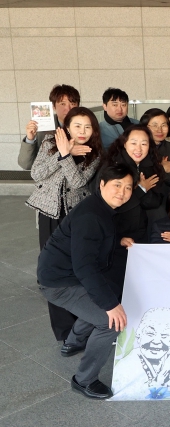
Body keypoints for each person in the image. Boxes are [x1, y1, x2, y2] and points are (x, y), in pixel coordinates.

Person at [37, 163, 136, 399]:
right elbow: (85, 267)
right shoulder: (91, 215)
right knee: (110, 322)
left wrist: (118, 240)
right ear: (102, 184)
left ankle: (73, 342)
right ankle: (84, 380)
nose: (122, 192)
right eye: (117, 185)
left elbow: (89, 244)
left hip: (66, 273)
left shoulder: (100, 207)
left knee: (105, 295)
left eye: (128, 187)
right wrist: (111, 306)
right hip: (60, 282)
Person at [25, 107, 102, 343]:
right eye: (77, 126)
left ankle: (81, 323)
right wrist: (62, 152)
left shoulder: (94, 152)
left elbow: (78, 182)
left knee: (76, 265)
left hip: (74, 215)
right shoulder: (50, 142)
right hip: (49, 213)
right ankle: (63, 330)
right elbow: (37, 173)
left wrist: (66, 156)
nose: (82, 131)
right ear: (67, 127)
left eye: (87, 127)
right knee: (52, 269)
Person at [104, 125, 164, 250]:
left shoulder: (150, 164)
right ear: (124, 144)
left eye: (144, 144)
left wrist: (139, 191)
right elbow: (115, 203)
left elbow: (155, 201)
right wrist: (142, 189)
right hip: (118, 233)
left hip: (143, 229)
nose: (138, 149)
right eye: (133, 143)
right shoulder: (114, 166)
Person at [112, 308, 170, 397]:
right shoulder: (127, 364)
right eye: (150, 334)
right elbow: (128, 391)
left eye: (164, 335)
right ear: (139, 335)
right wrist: (160, 380)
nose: (156, 341)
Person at [19, 84, 80, 170]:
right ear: (53, 107)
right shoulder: (42, 128)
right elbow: (26, 165)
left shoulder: (86, 126)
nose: (68, 109)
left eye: (72, 104)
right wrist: (30, 139)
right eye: (62, 104)